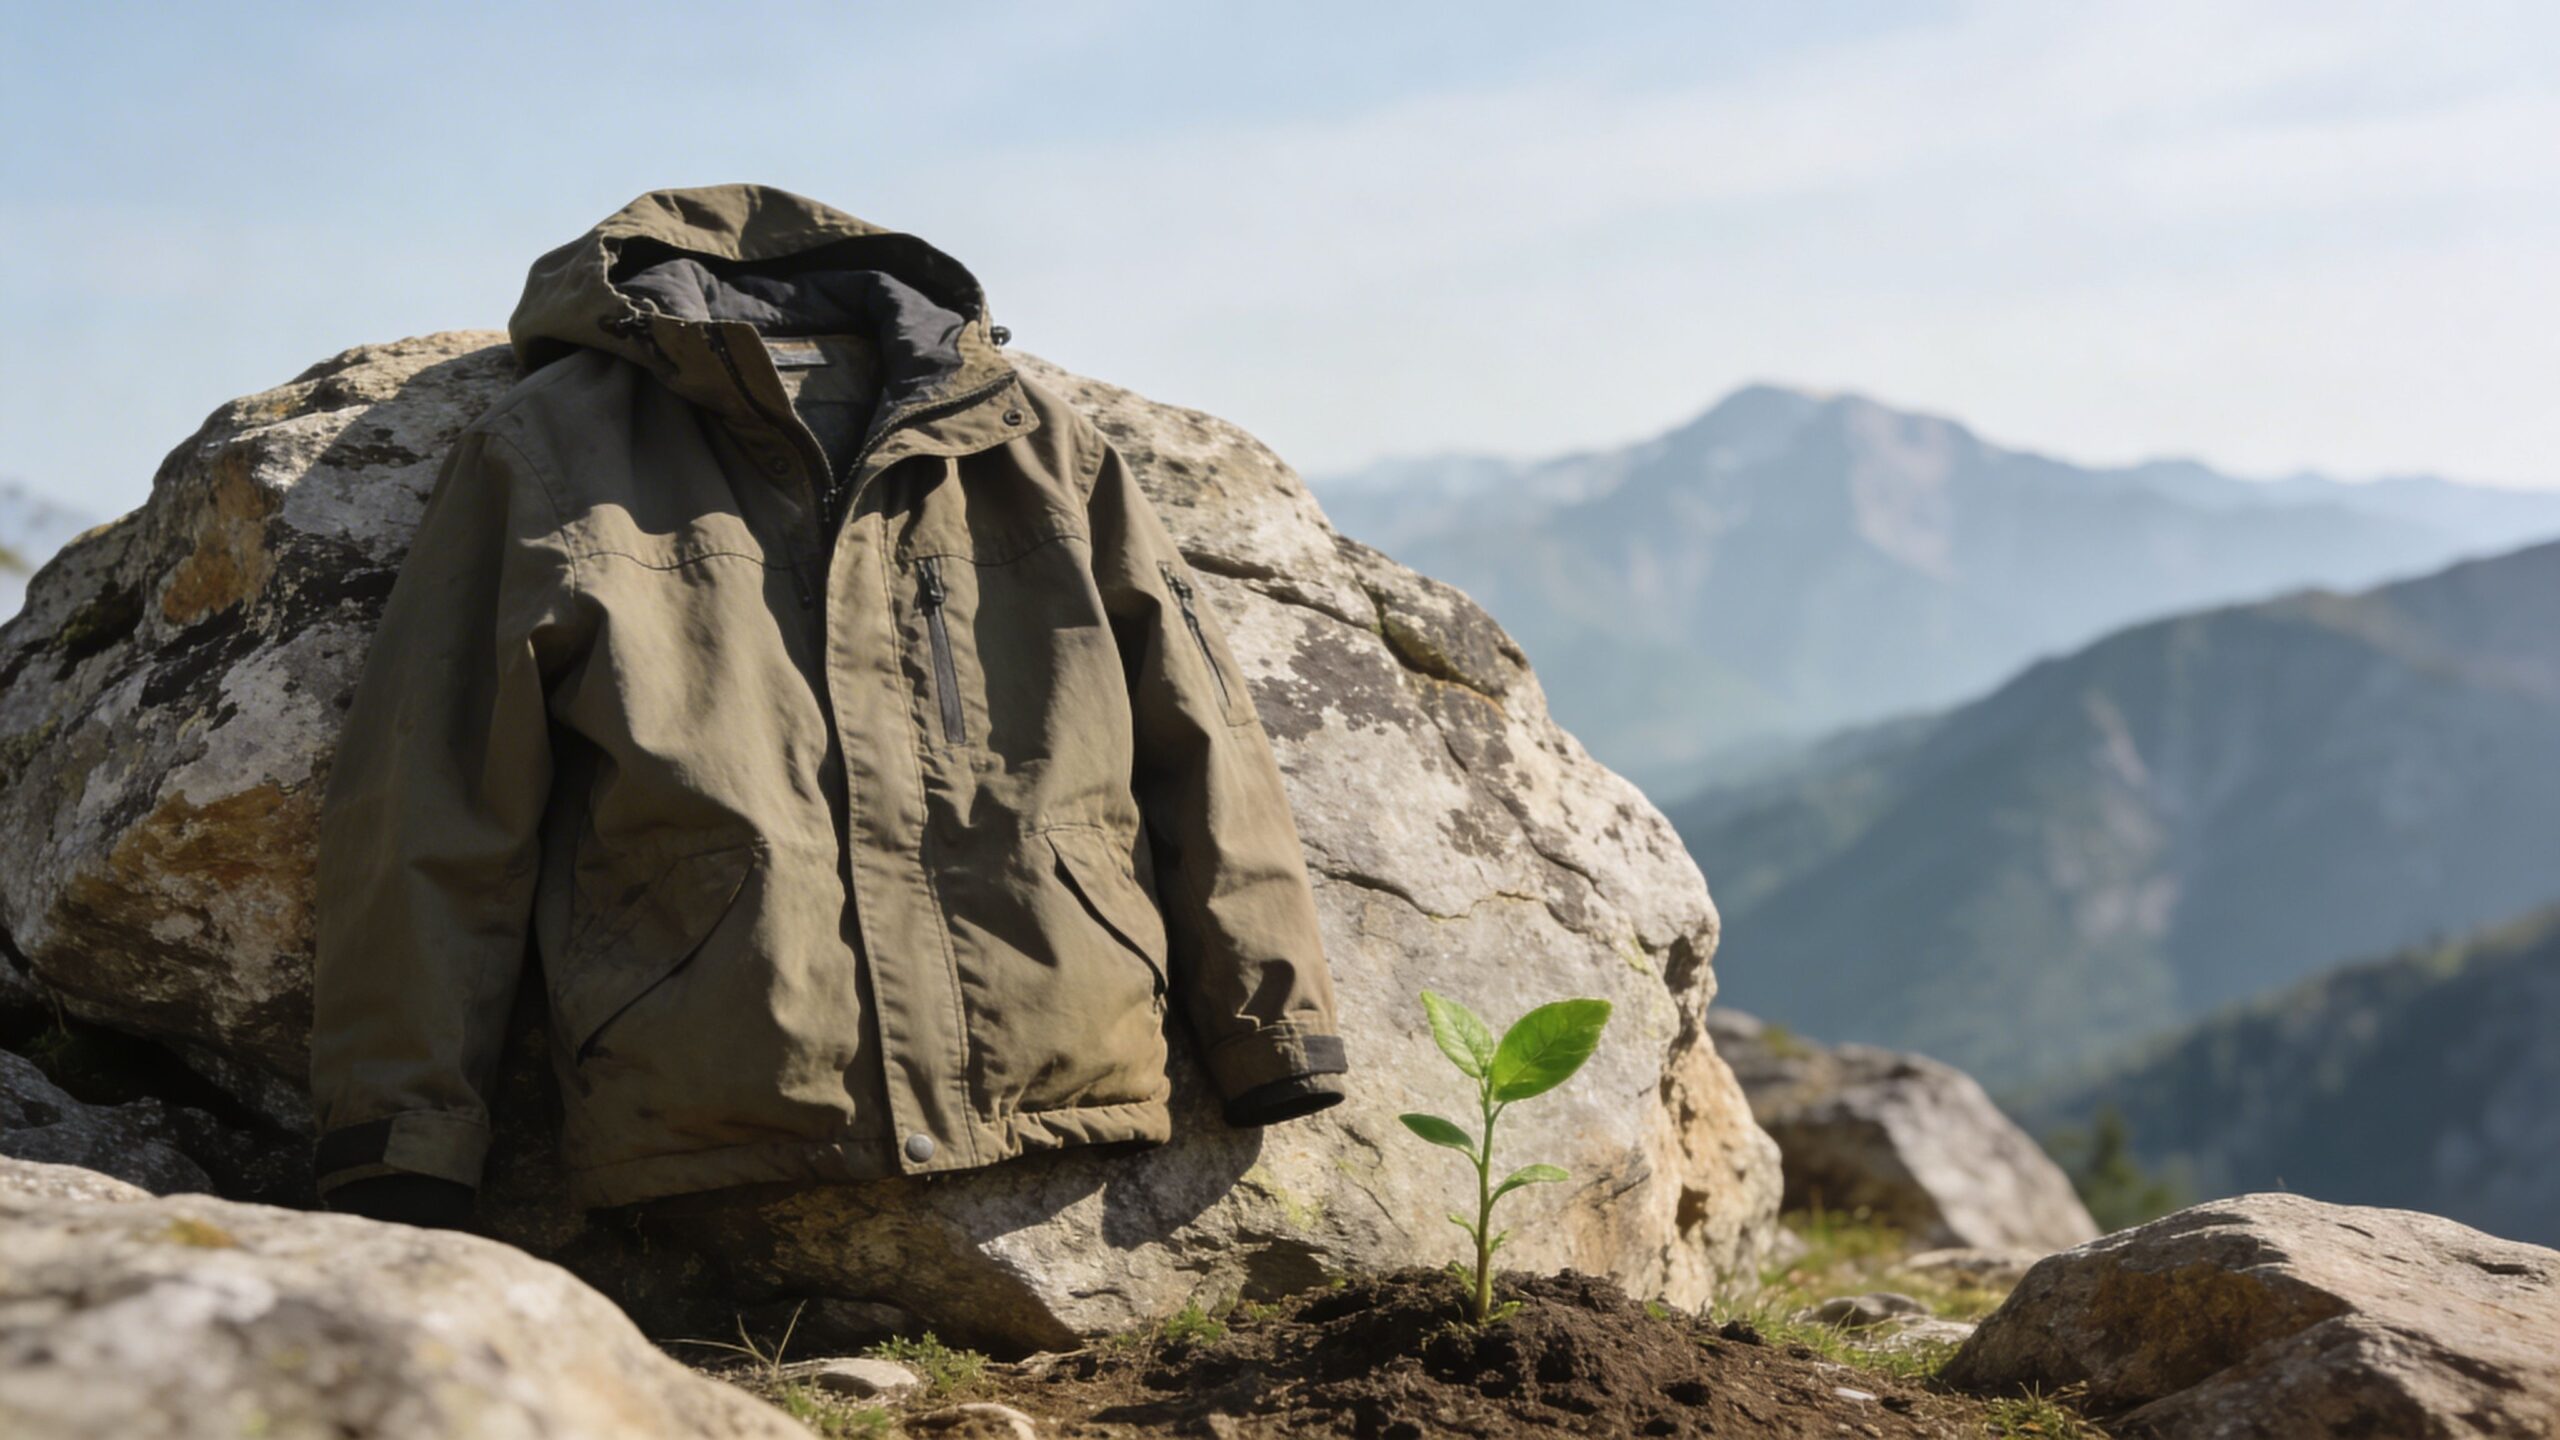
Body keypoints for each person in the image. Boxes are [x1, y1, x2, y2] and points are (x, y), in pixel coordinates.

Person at [309, 184, 1348, 1228]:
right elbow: (432, 793)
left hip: (1063, 1033)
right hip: (724, 1076)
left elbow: (1202, 732)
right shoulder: (552, 449)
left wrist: (1272, 1028)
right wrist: (405, 1131)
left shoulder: (1031, 444)